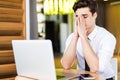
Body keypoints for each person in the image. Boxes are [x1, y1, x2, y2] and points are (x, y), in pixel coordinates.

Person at [61, 0, 116, 80]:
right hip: (82, 78)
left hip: (104, 78)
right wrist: (76, 36)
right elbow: (66, 65)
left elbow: (94, 68)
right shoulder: (72, 37)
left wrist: (83, 36)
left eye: (85, 16)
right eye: (77, 16)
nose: (80, 21)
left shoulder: (107, 37)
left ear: (94, 15)